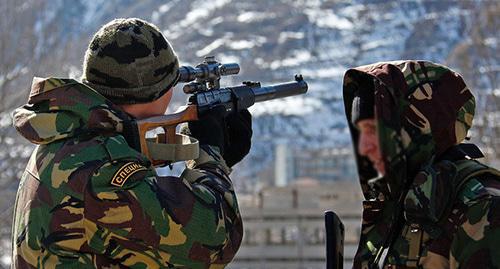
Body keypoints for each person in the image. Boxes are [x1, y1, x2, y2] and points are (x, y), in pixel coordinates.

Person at [11, 18, 251, 269]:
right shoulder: (104, 172)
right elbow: (212, 243)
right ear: (161, 92)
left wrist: (212, 160)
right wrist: (211, 157)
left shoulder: (68, 135)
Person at [342, 60, 500, 269]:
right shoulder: (399, 205)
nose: (363, 147)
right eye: (360, 132)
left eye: (373, 130)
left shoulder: (483, 207)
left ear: (417, 130)